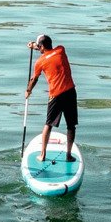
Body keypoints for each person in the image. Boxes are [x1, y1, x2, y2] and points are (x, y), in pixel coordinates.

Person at [27, 33, 78, 164]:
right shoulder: (61, 49)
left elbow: (34, 79)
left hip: (56, 95)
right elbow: (48, 49)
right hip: (70, 92)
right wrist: (35, 46)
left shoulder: (40, 62)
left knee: (48, 124)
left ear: (42, 46)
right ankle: (68, 155)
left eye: (39, 46)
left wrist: (28, 91)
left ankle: (42, 155)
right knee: (71, 125)